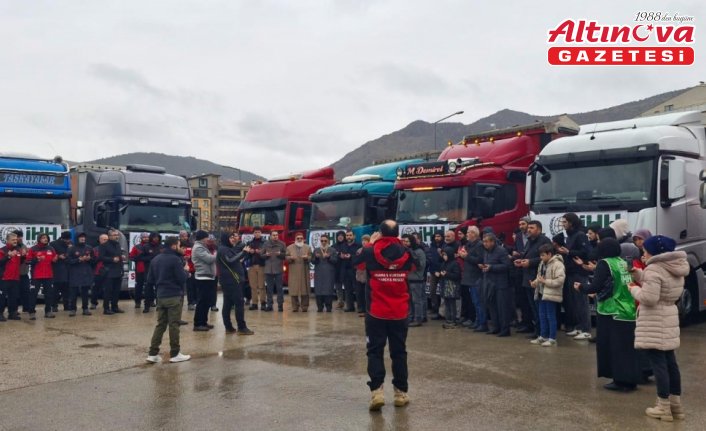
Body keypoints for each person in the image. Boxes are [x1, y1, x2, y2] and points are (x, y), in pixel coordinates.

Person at [628, 235, 688, 421]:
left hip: (654, 320)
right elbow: (660, 283)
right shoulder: (674, 267)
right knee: (671, 363)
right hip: (669, 316)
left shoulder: (654, 269)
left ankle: (662, 407)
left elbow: (650, 297)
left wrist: (633, 289)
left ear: (654, 252)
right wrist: (638, 274)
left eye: (645, 250)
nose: (643, 253)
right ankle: (675, 406)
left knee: (659, 365)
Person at [361, 220, 414, 411]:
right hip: (399, 312)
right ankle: (400, 392)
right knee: (399, 352)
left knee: (375, 351)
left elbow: (355, 262)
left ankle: (377, 392)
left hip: (376, 311)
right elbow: (416, 267)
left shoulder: (369, 251)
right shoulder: (407, 254)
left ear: (380, 234)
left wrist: (371, 244)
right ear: (398, 234)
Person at [574, 238, 640, 392]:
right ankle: (631, 379)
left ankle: (620, 381)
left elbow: (595, 285)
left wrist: (581, 287)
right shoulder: (623, 262)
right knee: (627, 348)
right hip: (628, 309)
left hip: (611, 310)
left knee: (614, 348)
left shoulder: (605, 263)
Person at [146, 236, 191, 364]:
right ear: (173, 246)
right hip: (174, 295)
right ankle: (175, 353)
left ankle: (153, 353)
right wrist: (186, 271)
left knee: (160, 324)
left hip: (160, 295)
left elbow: (150, 280)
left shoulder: (156, 259)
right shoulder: (175, 260)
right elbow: (181, 278)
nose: (180, 246)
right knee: (174, 324)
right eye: (178, 244)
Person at [513, 220, 552, 338]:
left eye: (532, 228)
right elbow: (527, 255)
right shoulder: (529, 241)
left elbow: (545, 259)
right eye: (528, 228)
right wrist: (521, 260)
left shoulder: (544, 241)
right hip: (527, 278)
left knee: (539, 307)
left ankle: (542, 332)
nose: (528, 230)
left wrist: (530, 262)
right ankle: (536, 329)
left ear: (539, 229)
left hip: (538, 279)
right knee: (532, 307)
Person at [558, 213, 591, 340]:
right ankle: (578, 327)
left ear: (571, 222)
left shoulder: (580, 235)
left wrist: (569, 252)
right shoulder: (569, 236)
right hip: (570, 272)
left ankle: (586, 329)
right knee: (573, 302)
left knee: (581, 302)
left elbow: (586, 252)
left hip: (579, 272)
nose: (563, 224)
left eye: (565, 222)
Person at [217, 232, 254, 335]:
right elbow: (230, 261)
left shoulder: (228, 248)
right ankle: (241, 327)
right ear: (226, 239)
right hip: (232, 280)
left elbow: (236, 259)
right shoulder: (223, 249)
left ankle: (228, 327)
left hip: (232, 280)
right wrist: (243, 252)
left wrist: (244, 253)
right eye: (230, 237)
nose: (233, 239)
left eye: (233, 237)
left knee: (228, 303)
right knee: (239, 303)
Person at [529, 244, 564, 346]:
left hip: (551, 294)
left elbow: (560, 280)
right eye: (540, 255)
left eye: (543, 255)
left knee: (550, 316)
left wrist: (545, 281)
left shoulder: (558, 264)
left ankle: (552, 339)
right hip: (541, 293)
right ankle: (543, 336)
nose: (541, 257)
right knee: (542, 316)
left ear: (549, 254)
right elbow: (539, 277)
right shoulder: (542, 263)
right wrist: (534, 283)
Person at [480, 233, 512, 336]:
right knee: (492, 307)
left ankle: (505, 329)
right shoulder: (486, 251)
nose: (484, 244)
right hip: (490, 283)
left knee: (502, 308)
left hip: (501, 284)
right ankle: (496, 327)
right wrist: (484, 267)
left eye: (486, 242)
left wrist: (491, 267)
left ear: (492, 242)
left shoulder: (501, 251)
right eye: (483, 241)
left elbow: (507, 266)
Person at [459, 226, 485, 331]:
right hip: (469, 277)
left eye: (469, 232)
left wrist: (466, 256)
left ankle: (482, 323)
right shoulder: (469, 245)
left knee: (478, 302)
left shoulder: (479, 245)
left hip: (476, 277)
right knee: (474, 302)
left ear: (474, 234)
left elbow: (480, 260)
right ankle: (477, 321)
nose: (467, 234)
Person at [27, 233, 57, 318]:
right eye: (43, 238)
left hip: (48, 275)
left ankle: (48, 311)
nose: (45, 239)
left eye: (46, 238)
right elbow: (27, 261)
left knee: (49, 294)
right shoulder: (33, 249)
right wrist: (36, 259)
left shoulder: (51, 248)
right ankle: (32, 312)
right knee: (33, 294)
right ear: (39, 239)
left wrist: (55, 259)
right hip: (36, 276)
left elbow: (54, 259)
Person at [192, 230, 217, 331]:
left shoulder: (203, 246)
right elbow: (209, 259)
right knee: (202, 301)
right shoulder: (198, 248)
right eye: (207, 237)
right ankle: (198, 323)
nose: (208, 239)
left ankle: (204, 322)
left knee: (207, 301)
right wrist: (216, 254)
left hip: (208, 276)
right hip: (203, 277)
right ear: (202, 238)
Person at [98, 229, 126, 315]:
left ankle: (115, 306)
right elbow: (101, 257)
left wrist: (121, 257)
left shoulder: (117, 244)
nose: (116, 236)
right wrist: (111, 259)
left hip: (118, 270)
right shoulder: (104, 245)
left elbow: (118, 256)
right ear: (109, 236)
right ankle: (106, 308)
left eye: (117, 235)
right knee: (108, 291)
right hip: (109, 271)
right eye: (114, 235)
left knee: (116, 290)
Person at [66, 233, 94, 316]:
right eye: (81, 237)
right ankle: (72, 309)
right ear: (77, 239)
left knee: (85, 293)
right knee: (73, 293)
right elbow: (68, 261)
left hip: (86, 273)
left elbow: (94, 261)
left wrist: (89, 259)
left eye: (84, 237)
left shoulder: (89, 248)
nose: (83, 239)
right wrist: (78, 259)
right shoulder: (71, 249)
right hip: (75, 273)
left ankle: (85, 308)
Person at [0, 232, 25, 321]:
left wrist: (23, 257)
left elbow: (20, 263)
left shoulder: (18, 249)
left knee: (14, 297)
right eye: (13, 240)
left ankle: (12, 313)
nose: (15, 241)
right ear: (7, 240)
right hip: (4, 278)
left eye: (16, 239)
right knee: (2, 297)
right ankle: (0, 314)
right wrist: (8, 256)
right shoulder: (2, 250)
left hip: (15, 278)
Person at [403, 234, 426, 327]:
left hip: (416, 279)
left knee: (417, 301)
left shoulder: (419, 252)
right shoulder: (408, 251)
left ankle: (418, 319)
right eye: (405, 241)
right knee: (410, 301)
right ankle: (411, 317)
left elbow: (421, 265)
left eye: (407, 241)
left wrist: (412, 257)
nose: (405, 243)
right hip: (409, 279)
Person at [286, 233, 312, 312]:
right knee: (294, 289)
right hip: (293, 270)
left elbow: (311, 257)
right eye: (298, 238)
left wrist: (307, 258)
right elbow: (286, 257)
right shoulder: (289, 248)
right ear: (295, 239)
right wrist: (290, 258)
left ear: (303, 239)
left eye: (301, 238)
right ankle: (295, 307)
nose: (300, 239)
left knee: (305, 289)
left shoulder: (307, 247)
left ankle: (304, 306)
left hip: (304, 270)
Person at [262, 230, 287, 312]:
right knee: (269, 289)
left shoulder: (282, 244)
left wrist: (280, 254)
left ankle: (280, 305)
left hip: (278, 269)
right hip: (268, 269)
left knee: (280, 288)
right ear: (270, 236)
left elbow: (286, 256)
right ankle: (269, 305)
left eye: (276, 235)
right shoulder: (266, 244)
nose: (275, 236)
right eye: (273, 235)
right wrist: (266, 255)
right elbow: (261, 255)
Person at [313, 234, 338, 312]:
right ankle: (319, 307)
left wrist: (329, 257)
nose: (323, 242)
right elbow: (313, 261)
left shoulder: (332, 250)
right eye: (322, 241)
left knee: (328, 290)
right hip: (319, 273)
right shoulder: (316, 250)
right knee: (319, 290)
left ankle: (328, 307)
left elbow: (335, 261)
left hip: (329, 273)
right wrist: (316, 258)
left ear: (328, 241)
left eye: (325, 241)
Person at [438, 247, 461, 329]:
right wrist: (440, 274)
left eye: (445, 255)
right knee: (447, 303)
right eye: (443, 255)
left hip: (452, 286)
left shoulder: (455, 263)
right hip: (445, 285)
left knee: (452, 304)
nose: (444, 256)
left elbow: (457, 275)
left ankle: (453, 320)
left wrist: (446, 274)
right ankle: (448, 319)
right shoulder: (444, 263)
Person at [339, 230, 361, 312]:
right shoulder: (343, 245)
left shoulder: (358, 245)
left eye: (350, 235)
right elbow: (338, 254)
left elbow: (360, 256)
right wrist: (340, 256)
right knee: (348, 290)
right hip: (345, 270)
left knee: (358, 289)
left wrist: (351, 256)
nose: (348, 237)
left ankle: (360, 307)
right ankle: (350, 306)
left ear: (354, 236)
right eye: (347, 235)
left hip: (355, 270)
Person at [50, 231, 72, 312]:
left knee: (67, 289)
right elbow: (51, 256)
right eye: (66, 239)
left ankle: (67, 305)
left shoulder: (71, 244)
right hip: (57, 269)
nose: (68, 241)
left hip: (68, 269)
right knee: (56, 289)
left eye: (69, 239)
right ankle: (54, 306)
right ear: (62, 238)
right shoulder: (53, 244)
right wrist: (59, 256)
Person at [246, 227, 267, 310]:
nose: (257, 233)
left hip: (262, 265)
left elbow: (267, 255)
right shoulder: (249, 242)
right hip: (252, 266)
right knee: (253, 286)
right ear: (253, 233)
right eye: (255, 232)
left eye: (258, 232)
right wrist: (249, 252)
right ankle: (254, 303)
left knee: (261, 285)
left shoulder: (265, 243)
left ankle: (263, 303)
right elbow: (246, 255)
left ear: (261, 233)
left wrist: (261, 252)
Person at [426, 230, 445, 320]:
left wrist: (441, 271)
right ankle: (435, 309)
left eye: (439, 236)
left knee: (442, 293)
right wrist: (433, 271)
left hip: (442, 272)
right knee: (432, 292)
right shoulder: (432, 246)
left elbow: (445, 260)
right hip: (434, 272)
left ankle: (441, 312)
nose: (437, 238)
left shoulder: (444, 246)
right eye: (436, 236)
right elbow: (430, 260)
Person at [129, 232, 151, 310]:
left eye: (147, 237)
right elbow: (131, 257)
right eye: (144, 237)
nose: (146, 239)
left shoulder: (151, 247)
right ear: (141, 238)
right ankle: (137, 302)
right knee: (139, 286)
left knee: (150, 286)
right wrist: (139, 258)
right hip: (140, 269)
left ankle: (151, 301)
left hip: (150, 270)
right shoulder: (137, 247)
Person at [13, 231, 30, 316]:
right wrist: (22, 256)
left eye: (21, 236)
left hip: (24, 273)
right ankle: (14, 310)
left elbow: (28, 257)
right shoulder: (12, 248)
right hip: (15, 275)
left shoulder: (24, 246)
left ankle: (26, 308)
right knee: (15, 293)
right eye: (18, 236)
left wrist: (28, 258)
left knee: (26, 291)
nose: (20, 238)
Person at [353, 234, 371, 316]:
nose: (364, 242)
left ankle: (367, 310)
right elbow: (356, 260)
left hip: (367, 273)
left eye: (365, 240)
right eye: (362, 240)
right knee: (359, 292)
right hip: (359, 273)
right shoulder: (359, 250)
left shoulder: (371, 249)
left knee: (366, 293)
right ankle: (361, 308)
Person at [90, 234, 108, 310]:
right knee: (95, 289)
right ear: (100, 240)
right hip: (97, 272)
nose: (105, 241)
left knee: (107, 289)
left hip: (109, 272)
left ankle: (107, 304)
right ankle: (93, 303)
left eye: (107, 239)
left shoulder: (111, 249)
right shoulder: (95, 250)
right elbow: (91, 261)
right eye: (104, 239)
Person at [180, 233, 197, 310]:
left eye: (186, 236)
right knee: (184, 287)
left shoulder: (192, 245)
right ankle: (183, 303)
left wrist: (190, 257)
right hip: (181, 267)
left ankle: (192, 302)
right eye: (183, 236)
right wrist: (183, 257)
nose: (184, 237)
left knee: (192, 286)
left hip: (191, 267)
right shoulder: (178, 244)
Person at [332, 230, 347, 309]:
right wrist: (338, 255)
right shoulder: (333, 246)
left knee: (347, 287)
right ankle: (340, 302)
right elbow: (332, 256)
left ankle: (348, 303)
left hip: (346, 268)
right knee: (338, 287)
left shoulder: (347, 245)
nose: (340, 237)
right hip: (337, 269)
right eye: (339, 236)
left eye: (342, 235)